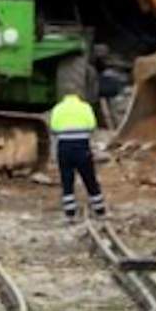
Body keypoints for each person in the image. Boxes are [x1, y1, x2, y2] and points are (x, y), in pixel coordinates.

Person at [48, 90, 106, 223]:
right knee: (90, 179)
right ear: (78, 97)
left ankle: (70, 214)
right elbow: (92, 126)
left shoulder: (58, 108)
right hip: (82, 147)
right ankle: (100, 211)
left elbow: (53, 128)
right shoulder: (85, 107)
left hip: (64, 148)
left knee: (67, 181)